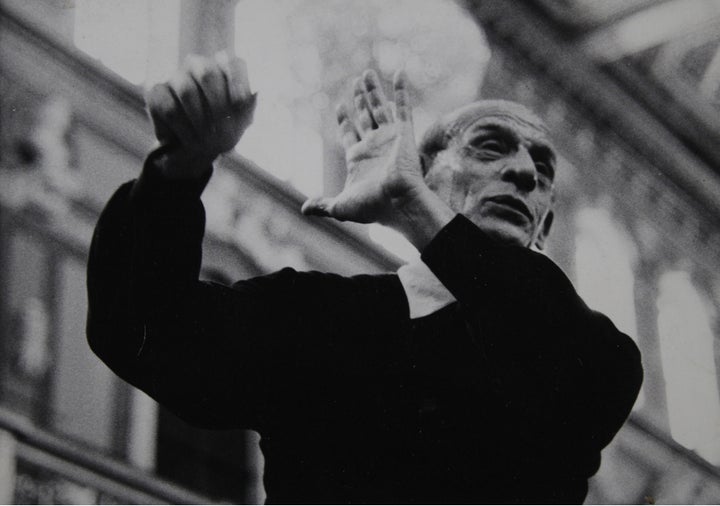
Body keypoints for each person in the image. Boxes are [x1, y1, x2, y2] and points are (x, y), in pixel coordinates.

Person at [86, 53, 642, 504]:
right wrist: (179, 169)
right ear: (427, 175)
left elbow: (540, 336)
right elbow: (145, 329)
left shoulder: (595, 354)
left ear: (543, 224)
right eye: (491, 146)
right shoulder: (319, 315)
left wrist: (411, 206)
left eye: (543, 171)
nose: (523, 172)